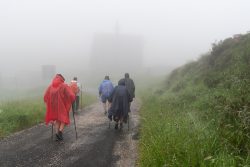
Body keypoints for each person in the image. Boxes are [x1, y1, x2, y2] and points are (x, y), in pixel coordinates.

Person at [44, 74, 75, 141]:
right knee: (64, 118)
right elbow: (71, 95)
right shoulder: (64, 86)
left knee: (58, 119)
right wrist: (72, 99)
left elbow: (46, 96)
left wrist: (49, 102)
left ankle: (57, 134)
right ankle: (60, 132)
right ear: (62, 79)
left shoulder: (51, 86)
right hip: (61, 106)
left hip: (53, 106)